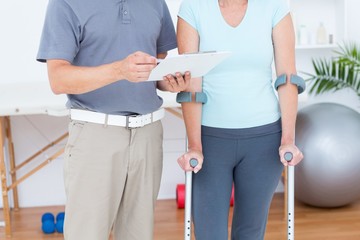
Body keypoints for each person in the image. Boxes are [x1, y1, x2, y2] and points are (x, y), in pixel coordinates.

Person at [36, 0, 190, 239]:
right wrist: (119, 70)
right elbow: (58, 79)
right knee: (86, 234)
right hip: (95, 136)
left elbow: (157, 67)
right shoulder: (65, 3)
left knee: (138, 234)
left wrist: (168, 82)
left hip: (148, 135)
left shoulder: (155, 3)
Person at [176, 0, 304, 239]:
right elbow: (192, 82)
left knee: (250, 232)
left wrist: (288, 139)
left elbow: (288, 76)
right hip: (210, 139)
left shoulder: (274, 6)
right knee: (208, 233)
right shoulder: (193, 8)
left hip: (264, 139)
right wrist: (195, 146)